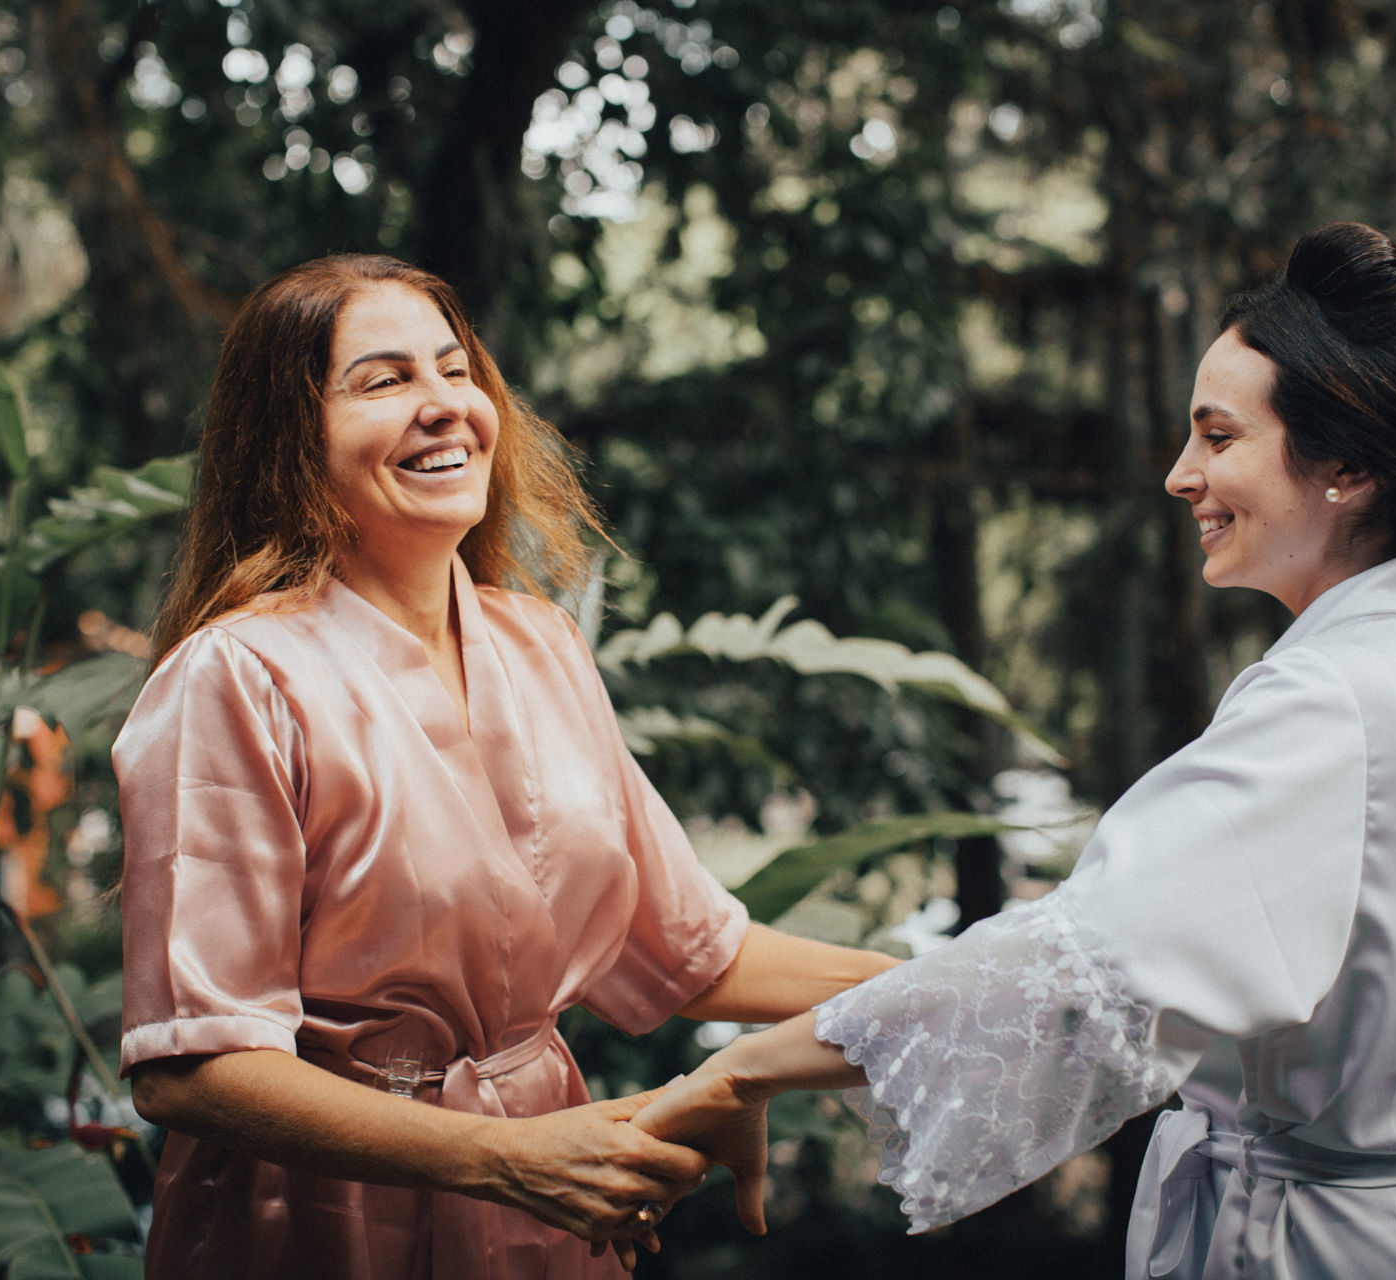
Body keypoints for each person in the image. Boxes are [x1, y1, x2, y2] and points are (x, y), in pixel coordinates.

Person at [633, 221, 1396, 1279]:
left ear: (1346, 463)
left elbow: (1084, 970)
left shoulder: (1332, 700)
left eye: (1218, 437)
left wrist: (744, 1071)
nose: (1181, 475)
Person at [114, 254, 895, 1280]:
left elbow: (691, 950)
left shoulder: (540, 642)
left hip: (545, 1207)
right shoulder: (235, 677)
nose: (444, 406)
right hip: (316, 1221)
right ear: (291, 438)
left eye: (454, 368)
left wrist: (964, 979)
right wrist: (506, 1157)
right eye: (384, 380)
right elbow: (195, 1063)